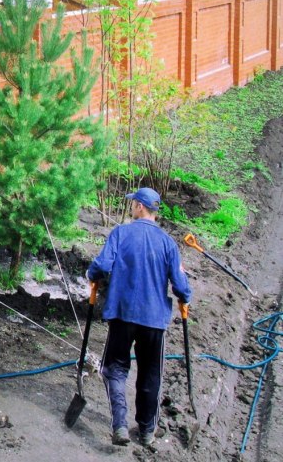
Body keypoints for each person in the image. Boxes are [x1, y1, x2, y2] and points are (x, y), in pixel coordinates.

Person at [87, 187, 192, 449]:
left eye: (133, 203)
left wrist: (92, 275)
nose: (131, 206)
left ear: (141, 207)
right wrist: (185, 296)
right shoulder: (168, 243)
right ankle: (146, 431)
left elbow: (101, 266)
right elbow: (180, 284)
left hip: (123, 315)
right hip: (154, 320)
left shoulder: (121, 233)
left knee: (115, 369)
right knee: (150, 374)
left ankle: (120, 425)